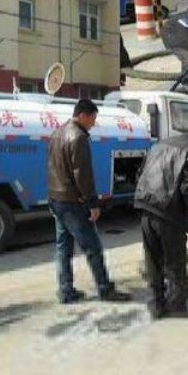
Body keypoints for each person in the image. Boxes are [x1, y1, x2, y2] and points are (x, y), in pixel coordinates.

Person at [47, 99, 131, 304]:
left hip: (56, 198)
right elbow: (82, 174)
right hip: (73, 202)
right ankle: (105, 289)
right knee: (92, 248)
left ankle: (65, 291)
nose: (93, 123)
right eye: (93, 118)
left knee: (63, 248)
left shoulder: (57, 133)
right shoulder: (78, 137)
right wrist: (92, 203)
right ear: (83, 115)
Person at [134, 121, 188, 319]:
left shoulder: (160, 145)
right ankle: (177, 306)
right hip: (169, 214)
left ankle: (156, 304)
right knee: (175, 262)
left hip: (145, 207)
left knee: (152, 259)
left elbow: (140, 173)